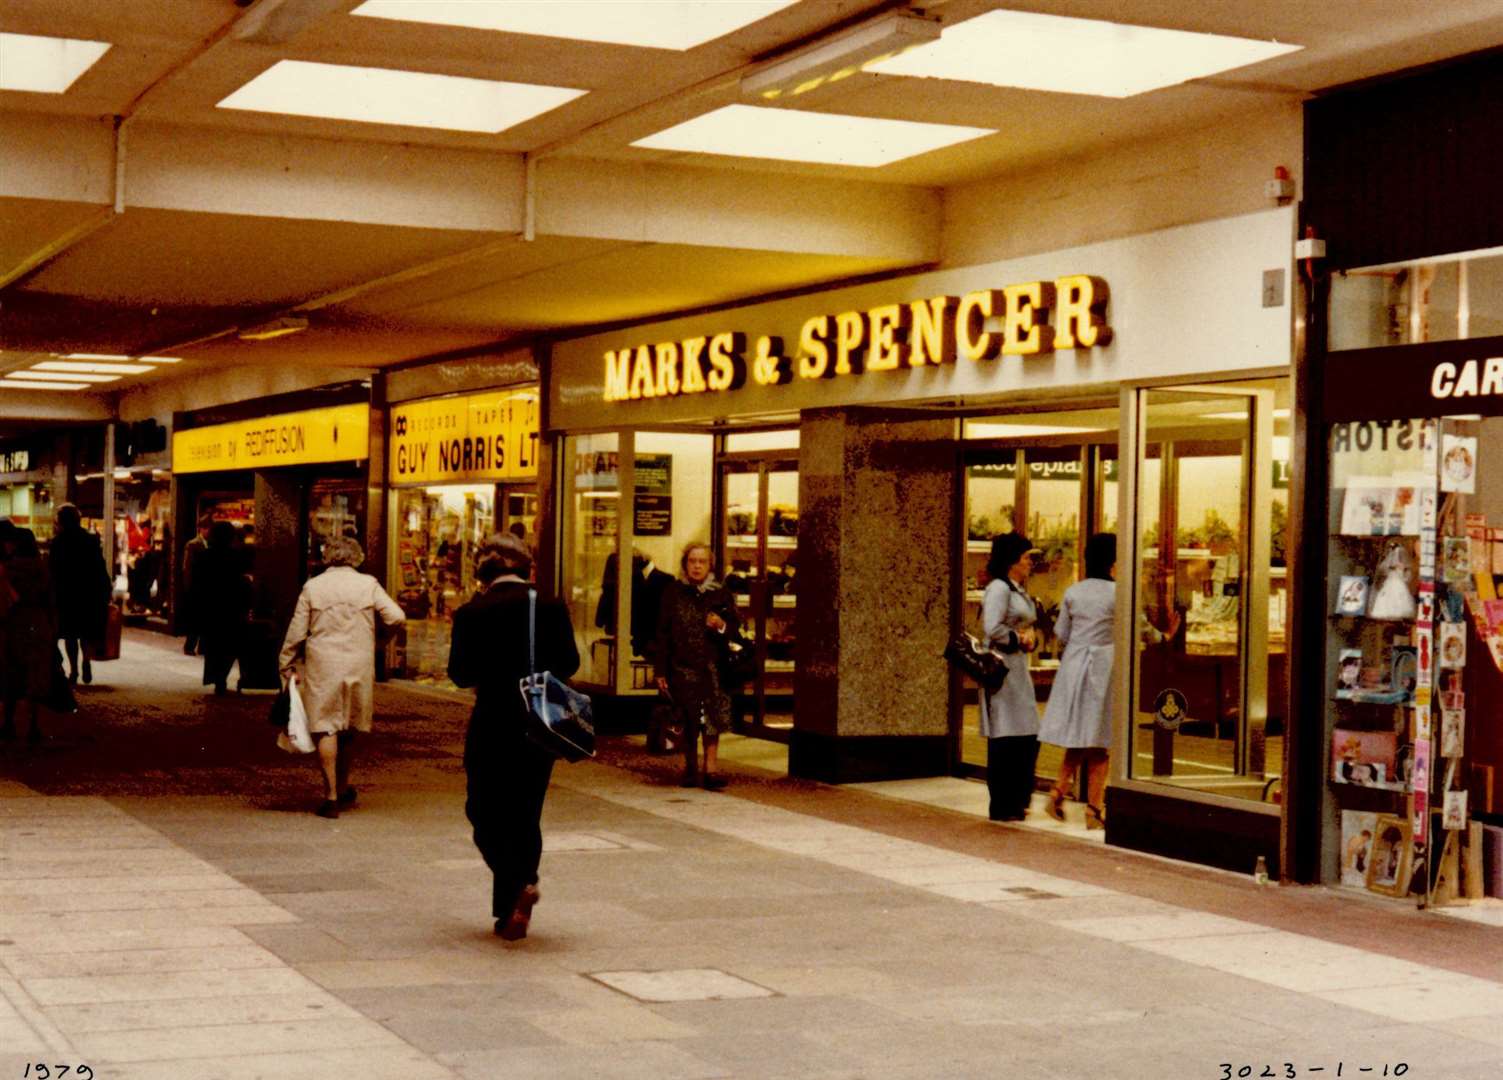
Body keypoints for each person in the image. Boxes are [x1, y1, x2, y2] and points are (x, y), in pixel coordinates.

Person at [447, 533, 579, 940]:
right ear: (527, 567)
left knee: (483, 812)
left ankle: (518, 886)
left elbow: (460, 675)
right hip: (540, 725)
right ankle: (512, 908)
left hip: (492, 724)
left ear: (484, 571)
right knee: (526, 813)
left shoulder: (472, 612)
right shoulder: (551, 606)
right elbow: (569, 663)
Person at [278, 536, 405, 819]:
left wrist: (285, 662)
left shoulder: (313, 587)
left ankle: (331, 795)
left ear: (328, 557)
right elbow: (396, 616)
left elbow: (297, 631)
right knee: (349, 726)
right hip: (358, 662)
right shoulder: (368, 584)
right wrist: (381, 641)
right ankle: (345, 785)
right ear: (356, 557)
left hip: (324, 663)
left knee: (326, 726)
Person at [654, 541, 740, 790]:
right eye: (692, 561)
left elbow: (735, 630)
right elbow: (663, 633)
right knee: (688, 719)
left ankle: (710, 770)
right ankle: (690, 769)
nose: (697, 566)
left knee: (712, 720)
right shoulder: (673, 593)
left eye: (702, 562)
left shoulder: (720, 593)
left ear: (710, 565)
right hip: (682, 666)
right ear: (685, 564)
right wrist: (660, 670)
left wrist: (721, 626)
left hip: (714, 668)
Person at [979, 533, 1042, 821]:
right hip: (1002, 671)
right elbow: (992, 627)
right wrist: (1019, 639)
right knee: (1006, 733)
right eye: (1027, 557)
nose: (1031, 562)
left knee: (1027, 732)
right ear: (1013, 560)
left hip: (1019, 669)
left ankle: (1018, 799)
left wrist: (1030, 640)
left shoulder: (1017, 589)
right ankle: (1004, 803)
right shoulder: (999, 590)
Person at [1, 528, 56, 744]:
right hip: (38, 623)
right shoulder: (42, 569)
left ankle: (8, 723)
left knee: (11, 673)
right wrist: (53, 627)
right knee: (35, 675)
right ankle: (34, 726)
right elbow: (51, 601)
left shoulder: (7, 569)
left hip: (13, 623)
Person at [49, 504, 111, 686]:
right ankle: (87, 661)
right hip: (88, 593)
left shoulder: (58, 542)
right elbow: (100, 567)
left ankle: (74, 670)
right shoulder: (90, 540)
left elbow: (52, 570)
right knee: (85, 632)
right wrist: (105, 589)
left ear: (61, 521)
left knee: (69, 634)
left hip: (66, 594)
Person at [195, 521, 251, 695]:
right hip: (232, 608)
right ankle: (222, 677)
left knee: (214, 646)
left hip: (211, 608)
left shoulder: (205, 555)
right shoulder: (236, 556)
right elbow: (242, 580)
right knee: (230, 646)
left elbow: (198, 583)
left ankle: (217, 679)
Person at [181, 514, 212, 654]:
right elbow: (187, 568)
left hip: (206, 587)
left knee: (205, 619)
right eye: (206, 528)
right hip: (196, 588)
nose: (208, 531)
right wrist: (189, 588)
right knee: (195, 620)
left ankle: (203, 647)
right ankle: (189, 646)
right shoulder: (193, 544)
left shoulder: (211, 544)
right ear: (200, 529)